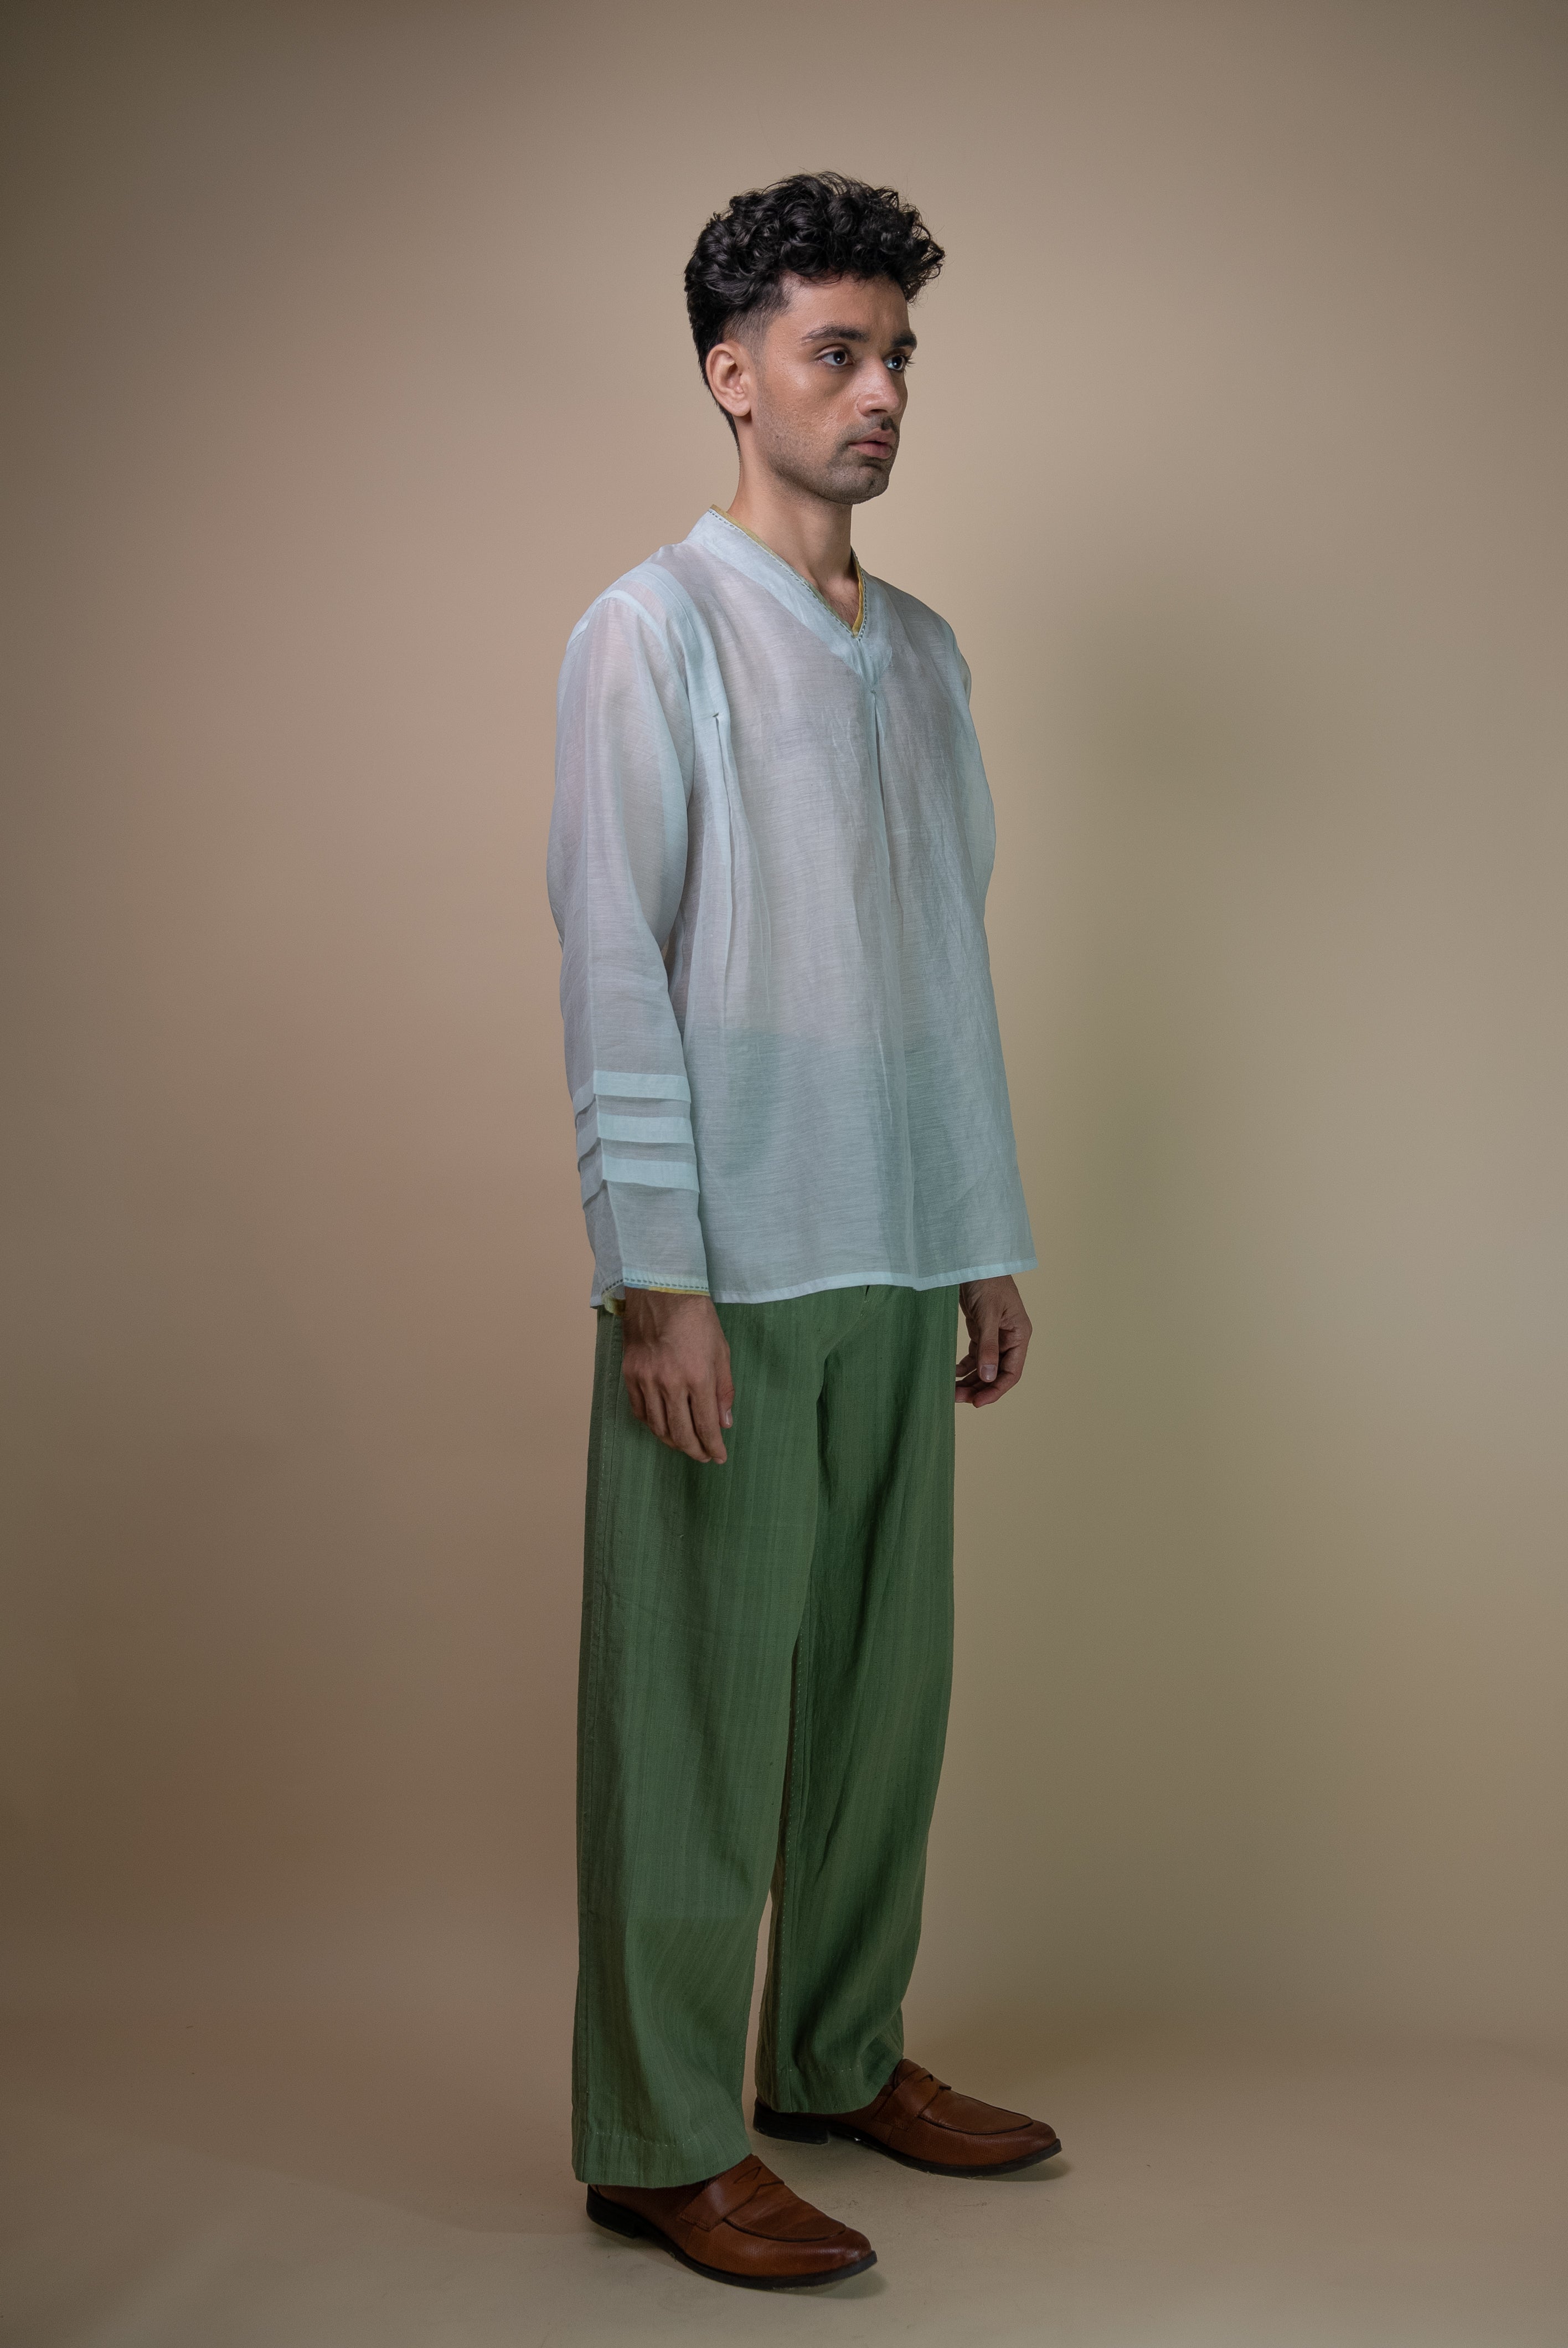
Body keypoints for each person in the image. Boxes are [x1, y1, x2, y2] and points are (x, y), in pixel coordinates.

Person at [547, 171, 1059, 2293]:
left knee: (876, 1695)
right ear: (731, 374)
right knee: (691, 1712)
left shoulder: (921, 653)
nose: (881, 393)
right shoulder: (649, 631)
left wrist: (983, 1235)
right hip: (732, 1270)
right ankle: (663, 2140)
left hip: (898, 1245)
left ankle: (838, 2058)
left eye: (898, 356)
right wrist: (653, 1276)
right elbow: (614, 962)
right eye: (837, 353)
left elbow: (942, 963)